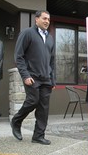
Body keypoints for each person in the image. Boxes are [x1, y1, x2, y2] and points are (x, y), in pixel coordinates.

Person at [11, 10, 56, 145]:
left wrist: (52, 79)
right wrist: (25, 75)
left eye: (48, 19)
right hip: (32, 76)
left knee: (43, 108)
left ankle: (38, 136)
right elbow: (18, 56)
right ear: (36, 19)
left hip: (46, 79)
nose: (47, 21)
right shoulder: (27, 33)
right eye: (44, 18)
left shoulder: (50, 38)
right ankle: (16, 121)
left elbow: (52, 61)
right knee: (33, 101)